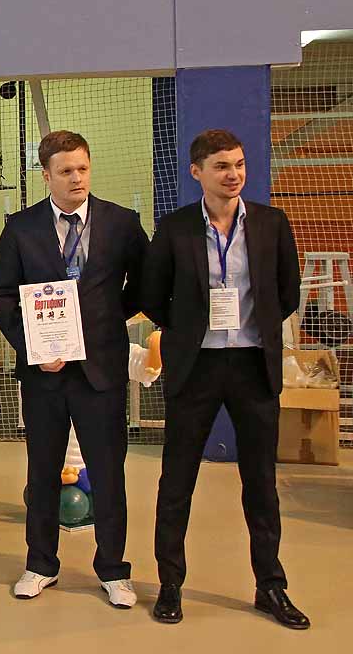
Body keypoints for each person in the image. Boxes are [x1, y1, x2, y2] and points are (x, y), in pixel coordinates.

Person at [143, 129, 308, 629]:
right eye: (221, 166)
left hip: (254, 365)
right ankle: (170, 583)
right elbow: (153, 296)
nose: (233, 174)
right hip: (197, 367)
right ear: (197, 172)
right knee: (177, 481)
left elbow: (288, 290)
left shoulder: (271, 223)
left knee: (261, 482)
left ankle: (270, 585)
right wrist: (189, 328)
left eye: (238, 164)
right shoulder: (175, 229)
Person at [0, 131, 147, 608]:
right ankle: (40, 564)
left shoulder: (121, 222)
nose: (76, 178)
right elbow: (1, 294)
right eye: (65, 171)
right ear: (46, 175)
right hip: (45, 374)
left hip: (101, 371)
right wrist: (33, 347)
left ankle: (113, 569)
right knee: (42, 471)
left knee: (109, 473)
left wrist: (105, 321)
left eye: (82, 168)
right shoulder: (21, 228)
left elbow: (142, 284)